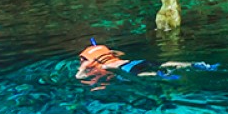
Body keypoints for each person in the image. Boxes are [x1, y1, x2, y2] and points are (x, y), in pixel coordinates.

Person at [77, 39, 213, 89]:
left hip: (123, 68)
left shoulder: (96, 64)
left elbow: (79, 77)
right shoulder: (110, 53)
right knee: (164, 63)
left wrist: (83, 68)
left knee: (142, 75)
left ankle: (160, 76)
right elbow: (120, 54)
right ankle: (193, 64)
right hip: (133, 62)